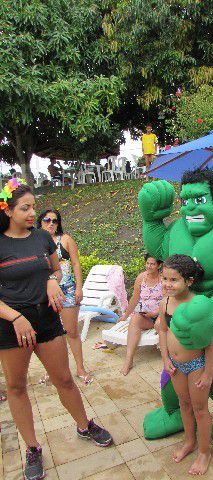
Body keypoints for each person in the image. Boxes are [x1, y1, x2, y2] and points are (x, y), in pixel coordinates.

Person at [139, 168, 213, 474]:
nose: (190, 206)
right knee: (172, 379)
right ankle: (177, 414)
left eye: (200, 198)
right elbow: (159, 250)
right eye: (186, 198)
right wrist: (152, 219)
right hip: (175, 326)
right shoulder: (177, 229)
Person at [0, 179, 112, 480]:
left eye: (33, 207)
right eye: (25, 208)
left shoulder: (42, 238)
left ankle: (84, 424)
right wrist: (14, 317)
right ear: (8, 210)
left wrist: (51, 280)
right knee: (17, 387)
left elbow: (56, 268)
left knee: (64, 378)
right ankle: (33, 448)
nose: (32, 213)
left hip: (46, 318)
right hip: (12, 324)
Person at [159, 255, 213, 475]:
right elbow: (163, 331)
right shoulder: (165, 302)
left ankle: (204, 452)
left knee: (200, 409)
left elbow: (210, 343)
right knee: (184, 404)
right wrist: (165, 359)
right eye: (165, 278)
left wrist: (208, 373)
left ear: (189, 281)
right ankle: (189, 442)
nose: (167, 284)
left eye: (174, 280)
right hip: (175, 365)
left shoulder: (198, 305)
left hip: (196, 365)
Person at [37, 209, 92, 385]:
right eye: (47, 220)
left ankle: (80, 368)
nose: (51, 223)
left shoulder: (65, 240)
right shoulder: (34, 242)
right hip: (46, 294)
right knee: (50, 336)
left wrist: (78, 288)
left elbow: (75, 263)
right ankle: (52, 371)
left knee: (71, 331)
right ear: (40, 222)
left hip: (67, 291)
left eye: (55, 220)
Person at [119, 253, 163, 375]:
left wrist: (155, 313)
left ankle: (169, 358)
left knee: (159, 323)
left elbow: (168, 300)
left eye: (152, 264)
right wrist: (125, 316)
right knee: (134, 320)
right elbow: (134, 299)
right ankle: (129, 360)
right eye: (147, 263)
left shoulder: (163, 279)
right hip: (146, 316)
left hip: (161, 315)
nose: (149, 266)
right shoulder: (141, 278)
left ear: (159, 265)